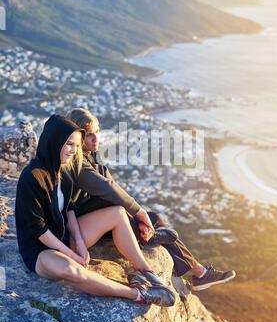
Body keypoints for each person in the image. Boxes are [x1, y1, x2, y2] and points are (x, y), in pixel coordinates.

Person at [66, 108, 236, 291]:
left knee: (153, 218)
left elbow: (112, 184)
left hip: (99, 215)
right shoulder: (76, 162)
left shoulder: (92, 155)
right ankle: (155, 241)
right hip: (85, 222)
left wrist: (139, 216)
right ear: (78, 136)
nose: (96, 138)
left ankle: (198, 271)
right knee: (138, 213)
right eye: (90, 135)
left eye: (98, 132)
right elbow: (108, 189)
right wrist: (138, 212)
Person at [15, 114, 175, 307]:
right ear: (54, 142)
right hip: (42, 250)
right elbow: (39, 230)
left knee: (116, 213)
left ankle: (145, 271)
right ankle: (138, 294)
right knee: (72, 270)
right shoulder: (32, 177)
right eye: (69, 145)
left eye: (76, 145)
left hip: (64, 234)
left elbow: (69, 210)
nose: (74, 151)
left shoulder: (63, 171)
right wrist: (73, 255)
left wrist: (80, 243)